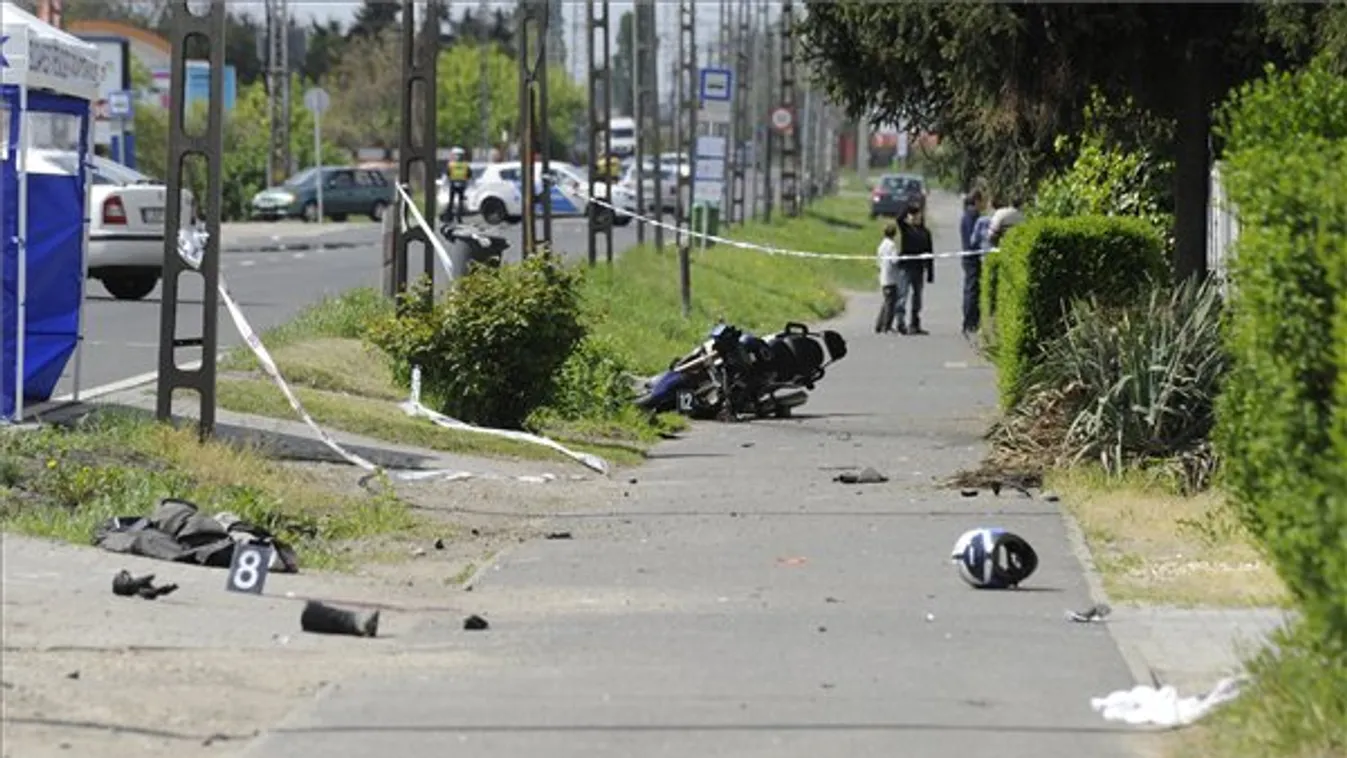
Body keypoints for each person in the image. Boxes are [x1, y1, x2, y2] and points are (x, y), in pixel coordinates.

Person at [894, 203, 934, 335]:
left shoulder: (925, 232)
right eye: (913, 215)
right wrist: (908, 208)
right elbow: (898, 219)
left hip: (918, 268)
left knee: (917, 298)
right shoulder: (906, 229)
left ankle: (915, 324)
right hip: (905, 268)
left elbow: (929, 252)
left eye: (917, 215)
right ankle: (900, 323)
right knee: (902, 296)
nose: (915, 218)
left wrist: (930, 272)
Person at [960, 190, 988, 336]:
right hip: (972, 256)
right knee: (972, 289)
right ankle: (970, 321)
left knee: (970, 288)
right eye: (983, 201)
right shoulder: (973, 216)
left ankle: (969, 320)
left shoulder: (967, 214)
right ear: (977, 201)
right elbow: (974, 238)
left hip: (968, 256)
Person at [874, 223, 901, 334]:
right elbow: (894, 260)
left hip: (883, 277)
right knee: (891, 303)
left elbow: (878, 262)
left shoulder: (881, 245)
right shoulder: (892, 246)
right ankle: (887, 326)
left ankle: (879, 325)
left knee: (886, 301)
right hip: (891, 277)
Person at [445, 147, 472, 223]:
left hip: (453, 184)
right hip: (462, 184)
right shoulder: (465, 165)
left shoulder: (451, 164)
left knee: (451, 201)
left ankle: (448, 218)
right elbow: (469, 174)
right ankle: (459, 219)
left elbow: (448, 173)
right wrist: (465, 179)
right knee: (460, 202)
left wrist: (451, 178)